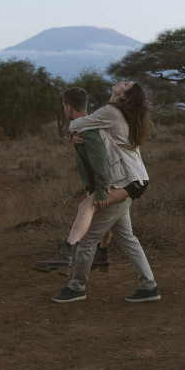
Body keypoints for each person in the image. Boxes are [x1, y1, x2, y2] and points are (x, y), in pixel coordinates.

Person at [51, 81, 160, 304]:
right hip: (134, 179)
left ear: (123, 97)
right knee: (127, 238)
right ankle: (148, 285)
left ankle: (76, 286)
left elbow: (75, 125)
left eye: (127, 85)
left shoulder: (110, 112)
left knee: (89, 236)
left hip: (126, 182)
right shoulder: (115, 114)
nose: (123, 81)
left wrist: (76, 133)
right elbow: (97, 136)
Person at [33, 86, 132, 275]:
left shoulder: (89, 128)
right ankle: (102, 256)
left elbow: (101, 161)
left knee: (88, 220)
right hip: (117, 180)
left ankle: (70, 266)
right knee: (122, 230)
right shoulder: (91, 123)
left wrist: (102, 190)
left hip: (106, 183)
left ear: (68, 107)